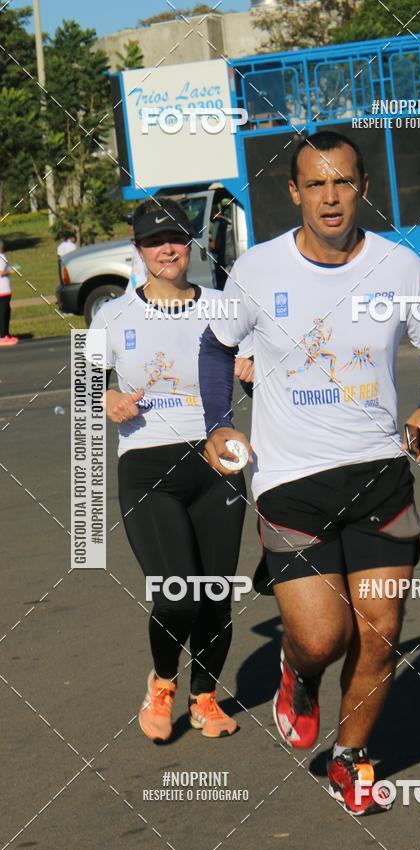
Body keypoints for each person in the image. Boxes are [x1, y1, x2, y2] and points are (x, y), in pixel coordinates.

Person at [199, 131, 420, 814]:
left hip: (379, 473)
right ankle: (298, 668)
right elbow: (213, 345)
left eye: (342, 182)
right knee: (324, 636)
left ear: (364, 187)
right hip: (291, 482)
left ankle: (351, 757)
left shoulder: (399, 268)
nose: (330, 196)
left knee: (380, 631)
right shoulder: (256, 271)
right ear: (294, 193)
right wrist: (218, 423)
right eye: (315, 184)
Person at [88, 198, 253, 742]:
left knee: (216, 591)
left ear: (192, 244)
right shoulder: (111, 315)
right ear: (138, 251)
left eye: (177, 239)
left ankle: (204, 697)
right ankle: (162, 683)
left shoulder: (224, 306)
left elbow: (257, 370)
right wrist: (107, 396)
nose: (167, 249)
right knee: (176, 589)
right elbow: (85, 384)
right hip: (148, 464)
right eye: (154, 241)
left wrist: (252, 370)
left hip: (218, 462)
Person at [0, 240, 18, 347]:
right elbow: (1, 272)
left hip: (3, 289)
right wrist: (11, 271)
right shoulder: (2, 256)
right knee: (4, 312)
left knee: (5, 311)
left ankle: (6, 334)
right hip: (3, 289)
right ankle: (3, 336)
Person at [209, 202, 229, 290]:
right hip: (227, 260)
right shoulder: (227, 221)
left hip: (219, 262)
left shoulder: (217, 223)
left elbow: (214, 246)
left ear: (212, 213)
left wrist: (208, 239)